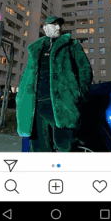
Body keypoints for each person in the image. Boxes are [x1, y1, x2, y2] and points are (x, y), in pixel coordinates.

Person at [16, 15, 93, 152]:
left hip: (61, 104)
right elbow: (27, 75)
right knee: (39, 148)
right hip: (36, 105)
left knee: (66, 147)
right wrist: (21, 96)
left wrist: (78, 93)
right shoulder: (35, 49)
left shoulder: (71, 45)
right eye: (54, 24)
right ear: (45, 28)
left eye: (59, 25)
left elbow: (85, 68)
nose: (58, 27)